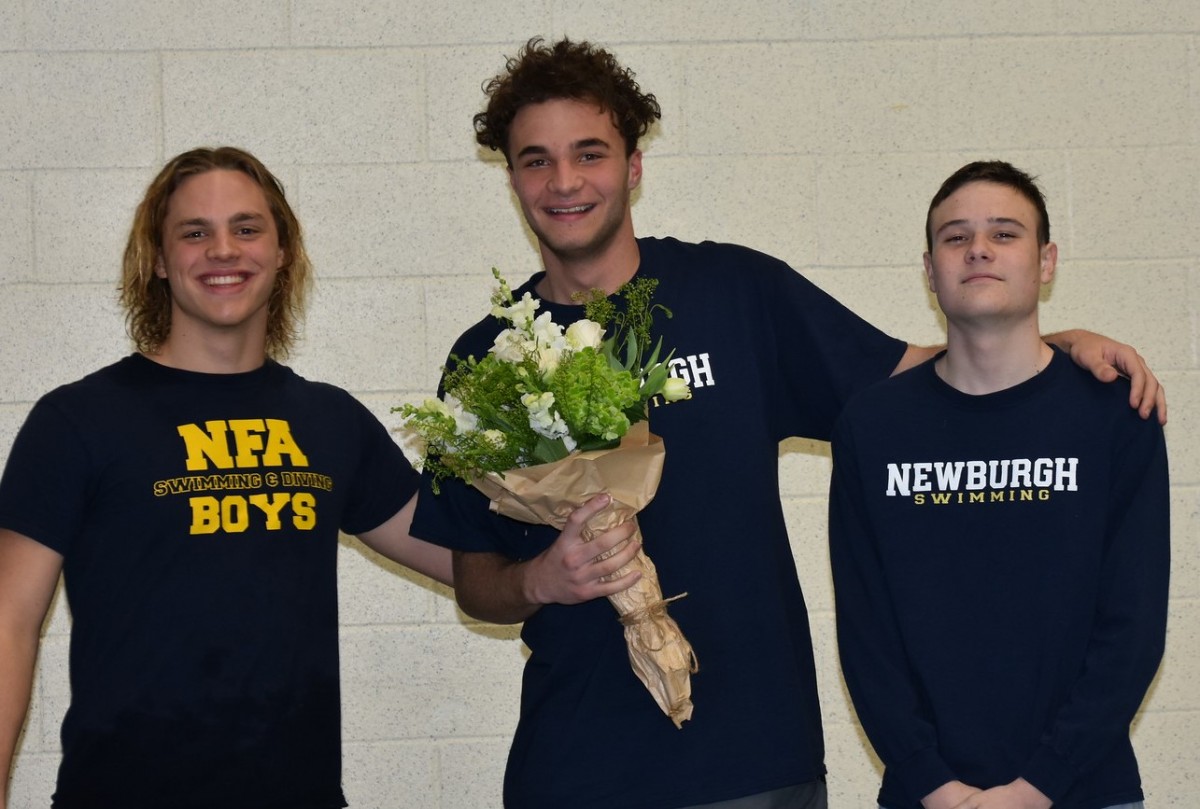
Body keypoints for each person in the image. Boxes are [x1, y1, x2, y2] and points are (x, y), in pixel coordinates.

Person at [409, 38, 1166, 809]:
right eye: (536, 160)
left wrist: (1052, 343)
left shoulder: (737, 293)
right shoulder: (485, 360)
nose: (565, 180)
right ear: (511, 178)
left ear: (633, 167)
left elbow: (921, 375)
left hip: (755, 756)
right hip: (576, 767)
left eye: (590, 153)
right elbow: (476, 579)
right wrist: (543, 577)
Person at [0, 146, 459, 809]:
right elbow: (10, 624)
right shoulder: (76, 421)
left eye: (246, 229)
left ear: (282, 253)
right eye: (195, 232)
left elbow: (464, 555)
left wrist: (574, 527)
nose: (224, 250)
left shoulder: (329, 421)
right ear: (158, 259)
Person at [828, 161, 1168, 809]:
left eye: (1004, 233)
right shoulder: (873, 427)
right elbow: (867, 637)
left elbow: (1132, 627)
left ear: (1046, 262)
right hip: (928, 797)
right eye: (955, 237)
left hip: (1083, 790)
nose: (978, 247)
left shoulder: (1114, 416)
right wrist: (932, 781)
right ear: (929, 271)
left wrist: (1039, 784)